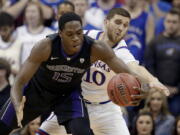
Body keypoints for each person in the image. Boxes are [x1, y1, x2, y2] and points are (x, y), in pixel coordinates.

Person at [0, 12, 169, 135]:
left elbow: (132, 70)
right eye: (70, 34)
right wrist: (16, 101)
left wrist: (147, 85)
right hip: (39, 91)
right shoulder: (45, 46)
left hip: (76, 98)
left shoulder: (96, 47)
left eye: (79, 33)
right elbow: (20, 80)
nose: (76, 38)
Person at [145, 8, 180, 116]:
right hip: (157, 90)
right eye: (168, 21)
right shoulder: (155, 42)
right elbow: (149, 66)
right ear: (164, 22)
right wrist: (159, 86)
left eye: (174, 22)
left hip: (177, 92)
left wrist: (177, 89)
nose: (171, 25)